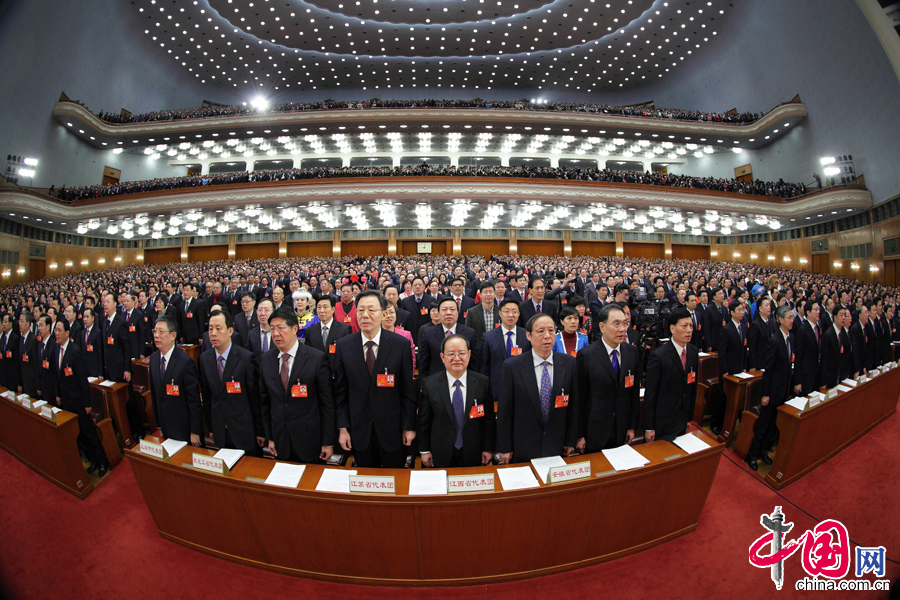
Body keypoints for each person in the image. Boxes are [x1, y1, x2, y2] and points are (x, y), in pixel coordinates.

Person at [332, 291, 417, 468]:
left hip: (392, 429)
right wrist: (342, 427)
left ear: (383, 314)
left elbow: (407, 389)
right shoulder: (344, 346)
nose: (365, 315)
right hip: (359, 429)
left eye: (371, 310)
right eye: (361, 310)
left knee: (395, 481)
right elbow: (341, 391)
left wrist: (409, 426)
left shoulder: (400, 345)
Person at [257, 306, 336, 463]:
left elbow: (327, 403)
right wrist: (270, 437)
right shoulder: (266, 360)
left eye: (280, 328)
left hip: (310, 439)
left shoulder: (316, 358)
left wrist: (328, 442)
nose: (276, 334)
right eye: (272, 329)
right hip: (280, 439)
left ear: (294, 329)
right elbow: (265, 403)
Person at [497, 314, 577, 464]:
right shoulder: (512, 366)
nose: (547, 336)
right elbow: (505, 411)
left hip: (557, 443)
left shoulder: (569, 364)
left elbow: (573, 407)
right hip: (523, 445)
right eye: (541, 331)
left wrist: (570, 439)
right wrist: (505, 447)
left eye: (551, 331)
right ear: (528, 335)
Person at [417, 334, 495, 468]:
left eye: (462, 353)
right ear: (442, 357)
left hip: (473, 450)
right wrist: (424, 450)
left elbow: (488, 420)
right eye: (451, 354)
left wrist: (488, 448)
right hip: (440, 451)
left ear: (469, 355)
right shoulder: (430, 384)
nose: (457, 358)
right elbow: (424, 421)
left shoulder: (482, 382)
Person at [575, 303, 640, 452]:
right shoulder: (586, 355)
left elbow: (633, 394)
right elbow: (580, 399)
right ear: (602, 327)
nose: (622, 329)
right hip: (595, 430)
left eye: (625, 324)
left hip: (622, 428)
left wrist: (631, 426)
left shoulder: (632, 352)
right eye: (616, 324)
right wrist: (579, 435)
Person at [198, 310, 265, 457]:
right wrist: (211, 427)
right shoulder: (205, 358)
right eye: (210, 329)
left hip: (245, 431)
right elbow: (208, 396)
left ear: (230, 331)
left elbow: (255, 398)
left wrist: (260, 431)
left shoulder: (246, 358)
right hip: (220, 430)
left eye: (218, 328)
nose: (213, 333)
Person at [52, 319, 110, 477]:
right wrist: (58, 395)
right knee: (79, 435)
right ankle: (93, 460)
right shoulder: (56, 350)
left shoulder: (75, 351)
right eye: (55, 330)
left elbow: (82, 380)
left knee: (88, 433)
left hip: (78, 401)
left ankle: (102, 462)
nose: (56, 333)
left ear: (66, 332)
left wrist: (87, 403)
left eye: (58, 330)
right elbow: (57, 376)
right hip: (66, 400)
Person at [746, 305, 796, 471]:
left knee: (774, 424)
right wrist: (765, 394)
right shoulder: (775, 341)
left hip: (783, 390)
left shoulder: (791, 338)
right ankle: (752, 455)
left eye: (792, 317)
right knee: (763, 425)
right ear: (780, 320)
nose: (792, 320)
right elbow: (768, 371)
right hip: (772, 391)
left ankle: (762, 451)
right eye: (789, 317)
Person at [642, 307, 700, 443]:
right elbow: (651, 394)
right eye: (684, 326)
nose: (689, 330)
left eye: (691, 326)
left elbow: (692, 388)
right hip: (663, 422)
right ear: (672, 328)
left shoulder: (693, 351)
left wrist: (689, 417)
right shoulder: (659, 356)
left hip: (682, 419)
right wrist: (649, 427)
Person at [149, 315, 202, 445]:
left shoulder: (185, 362)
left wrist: (195, 431)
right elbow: (155, 395)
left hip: (183, 427)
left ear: (173, 335)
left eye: (161, 332)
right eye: (155, 331)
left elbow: (193, 400)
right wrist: (159, 425)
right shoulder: (154, 359)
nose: (156, 335)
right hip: (165, 425)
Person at [710, 299, 747, 435]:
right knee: (722, 398)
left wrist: (743, 367)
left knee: (734, 399)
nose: (742, 312)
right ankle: (716, 424)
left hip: (738, 369)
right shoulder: (727, 329)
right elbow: (723, 352)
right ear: (731, 312)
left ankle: (729, 423)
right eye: (739, 310)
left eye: (743, 309)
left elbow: (743, 350)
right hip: (727, 370)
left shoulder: (743, 328)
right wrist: (724, 370)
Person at [418, 297, 478, 379]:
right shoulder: (428, 333)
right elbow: (423, 363)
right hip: (436, 383)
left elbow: (474, 363)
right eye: (444, 310)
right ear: (439, 313)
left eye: (452, 309)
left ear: (457, 313)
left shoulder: (469, 333)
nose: (448, 313)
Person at [304, 295, 352, 372]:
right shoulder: (310, 331)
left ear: (333, 309)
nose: (322, 310)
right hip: (316, 373)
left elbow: (347, 355)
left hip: (336, 373)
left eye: (325, 307)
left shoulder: (344, 329)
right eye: (319, 307)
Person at [792, 298, 821, 396]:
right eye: (815, 310)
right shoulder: (802, 330)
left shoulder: (817, 328)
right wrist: (797, 381)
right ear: (808, 312)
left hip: (815, 375)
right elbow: (798, 357)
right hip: (805, 376)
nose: (818, 312)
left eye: (819, 309)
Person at [819, 305, 851, 389]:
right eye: (841, 315)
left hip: (842, 376)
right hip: (830, 377)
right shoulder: (828, 335)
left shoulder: (844, 332)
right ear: (835, 317)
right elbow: (825, 360)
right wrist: (823, 382)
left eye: (845, 315)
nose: (843, 318)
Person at [465, 281, 500, 351]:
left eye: (491, 291)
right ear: (480, 295)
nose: (488, 294)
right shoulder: (471, 312)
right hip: (478, 349)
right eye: (485, 292)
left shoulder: (501, 311)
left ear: (495, 294)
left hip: (497, 349)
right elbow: (468, 333)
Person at [382, 301, 416, 371]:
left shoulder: (406, 335)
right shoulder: (373, 334)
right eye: (385, 312)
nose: (388, 316)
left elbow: (411, 361)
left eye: (391, 312)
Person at [747, 297, 774, 370]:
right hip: (760, 362)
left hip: (771, 361)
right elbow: (753, 347)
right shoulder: (755, 325)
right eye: (766, 305)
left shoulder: (771, 322)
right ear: (760, 309)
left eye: (769, 305)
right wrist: (753, 366)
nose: (769, 307)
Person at [16, 311, 40, 397]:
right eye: (19, 321)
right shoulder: (21, 339)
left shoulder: (33, 340)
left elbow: (35, 364)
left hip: (32, 382)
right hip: (24, 380)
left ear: (28, 324)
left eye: (22, 321)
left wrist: (38, 386)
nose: (19, 324)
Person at [36, 315, 57, 402]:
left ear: (48, 326)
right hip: (43, 387)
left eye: (41, 325)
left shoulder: (54, 345)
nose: (39, 328)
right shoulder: (40, 344)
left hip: (51, 389)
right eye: (38, 326)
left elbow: (56, 372)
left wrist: (57, 394)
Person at [0, 314, 21, 390]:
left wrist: (19, 382)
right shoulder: (2, 338)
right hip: (3, 378)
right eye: (2, 322)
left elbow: (16, 362)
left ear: (11, 323)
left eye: (5, 322)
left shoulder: (15, 339)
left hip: (12, 379)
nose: (3, 324)